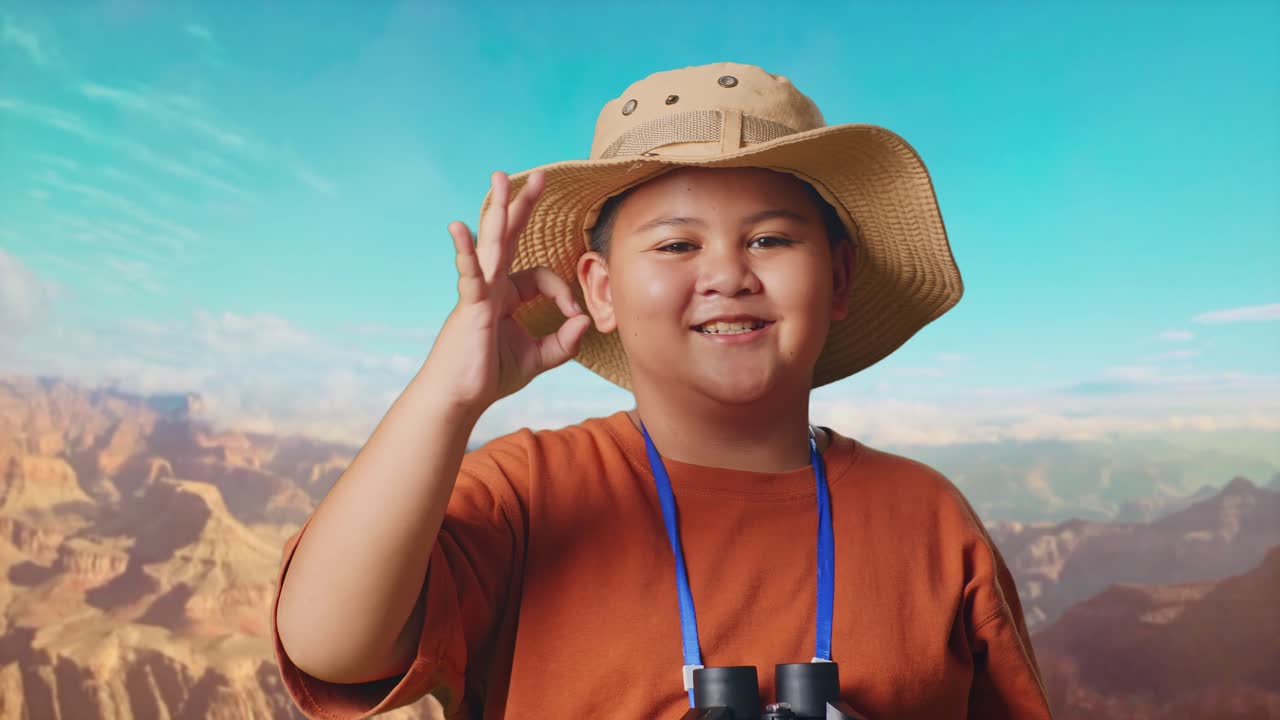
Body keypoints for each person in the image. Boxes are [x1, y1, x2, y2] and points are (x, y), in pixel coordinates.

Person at [271, 61, 1053, 719]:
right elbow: (332, 647)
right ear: (600, 289)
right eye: (677, 243)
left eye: (771, 239)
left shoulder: (928, 520)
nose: (727, 275)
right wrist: (447, 395)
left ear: (839, 277)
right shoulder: (527, 494)